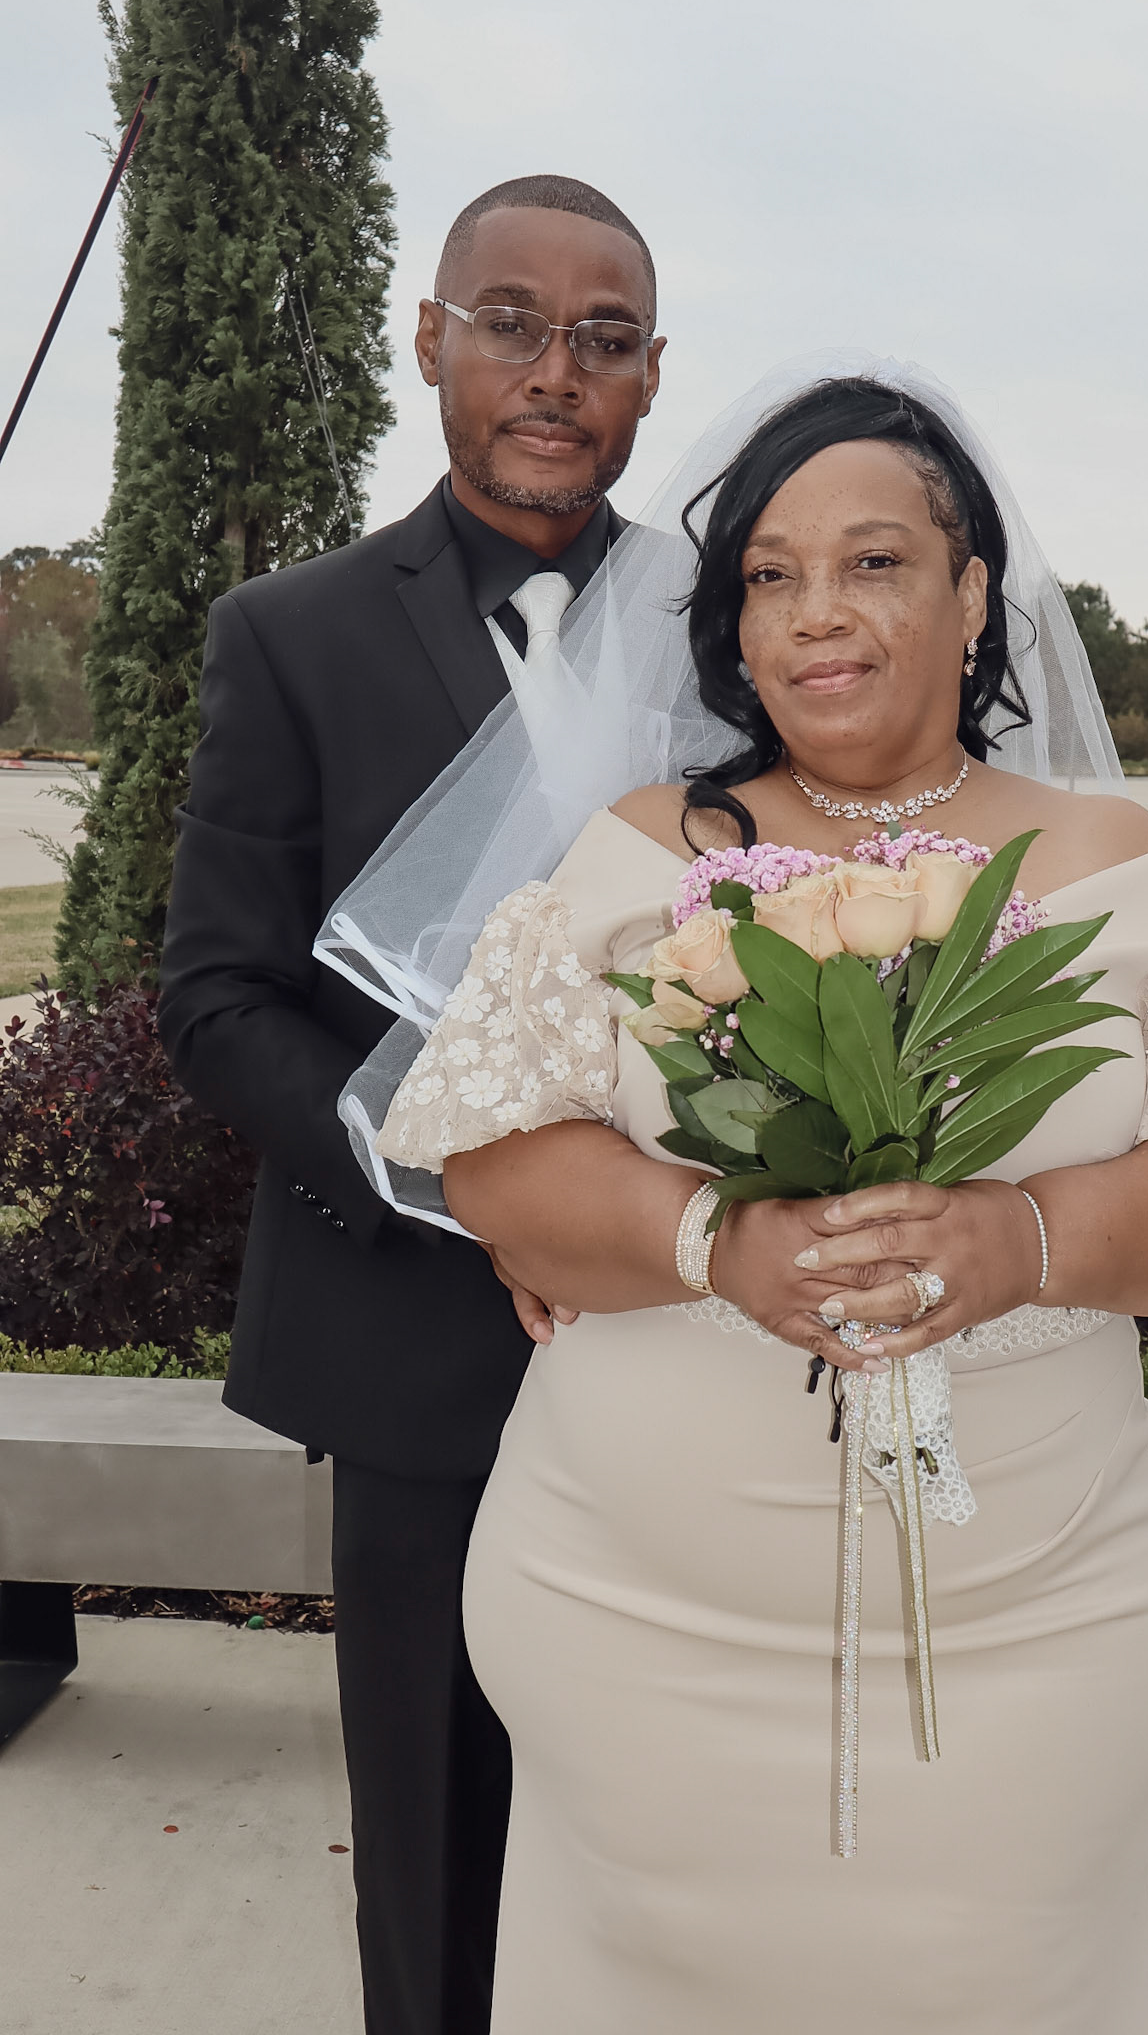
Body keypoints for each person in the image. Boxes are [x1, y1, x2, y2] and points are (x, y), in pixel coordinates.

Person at [347, 365, 1148, 2032]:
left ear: (972, 596)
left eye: (874, 562)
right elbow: (495, 1159)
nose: (815, 611)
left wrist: (1023, 1239)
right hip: (624, 1624)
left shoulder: (1107, 862)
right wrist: (709, 1239)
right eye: (771, 574)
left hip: (1036, 1635)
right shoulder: (643, 853)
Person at [156, 173, 665, 2035]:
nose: (555, 370)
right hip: (409, 1350)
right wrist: (468, 1190)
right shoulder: (289, 634)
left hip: (690, 1336)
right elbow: (218, 997)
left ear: (651, 375)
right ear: (431, 341)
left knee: (671, 1832)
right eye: (511, 323)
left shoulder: (731, 625)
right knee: (439, 1853)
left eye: (602, 338)